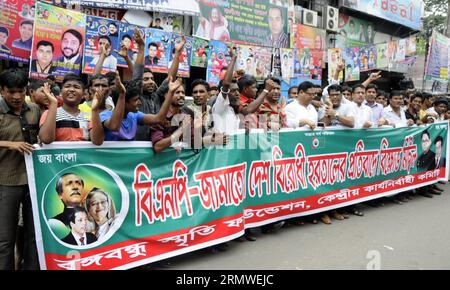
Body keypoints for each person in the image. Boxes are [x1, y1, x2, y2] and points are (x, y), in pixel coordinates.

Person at [0, 68, 40, 270]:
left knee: (35, 235)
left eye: (21, 91)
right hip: (7, 181)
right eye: (11, 91)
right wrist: (9, 144)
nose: (16, 96)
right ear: (2, 90)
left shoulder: (34, 109)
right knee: (5, 238)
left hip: (34, 182)